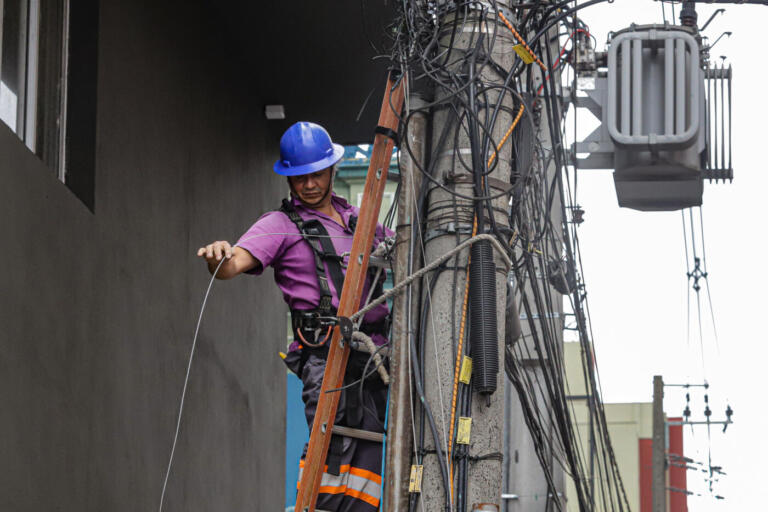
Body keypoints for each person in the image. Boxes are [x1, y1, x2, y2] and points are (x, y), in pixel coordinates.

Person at [197, 121, 390, 512]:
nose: (309, 184)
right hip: (327, 357)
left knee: (369, 461)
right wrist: (219, 256)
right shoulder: (280, 227)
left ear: (332, 169)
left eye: (316, 174)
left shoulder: (361, 220)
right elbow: (233, 264)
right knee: (334, 455)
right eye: (299, 177)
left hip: (376, 358)